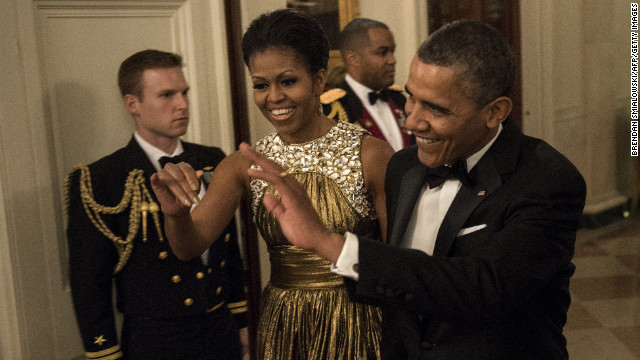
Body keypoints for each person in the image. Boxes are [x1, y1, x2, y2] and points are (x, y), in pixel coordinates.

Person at [241, 20, 587, 360]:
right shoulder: (405, 167)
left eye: (435, 108)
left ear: (495, 112)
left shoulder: (546, 180)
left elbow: (481, 289)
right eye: (411, 98)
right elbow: (398, 284)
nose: (411, 121)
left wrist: (329, 242)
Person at [151, 9, 394, 360]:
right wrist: (174, 214)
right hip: (284, 325)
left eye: (288, 81)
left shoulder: (371, 154)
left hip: (360, 319)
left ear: (319, 80)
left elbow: (397, 263)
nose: (273, 97)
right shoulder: (241, 164)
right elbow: (188, 247)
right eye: (261, 85)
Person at [65, 49, 248, 360]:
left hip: (220, 332)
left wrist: (241, 321)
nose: (183, 104)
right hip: (156, 342)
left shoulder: (211, 159)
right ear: (132, 104)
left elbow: (228, 250)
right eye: (167, 95)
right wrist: (105, 354)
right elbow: (89, 283)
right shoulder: (102, 179)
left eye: (184, 92)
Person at [321, 18, 411, 151]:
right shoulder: (331, 110)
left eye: (392, 51)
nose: (392, 60)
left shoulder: (399, 98)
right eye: (382, 52)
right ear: (353, 58)